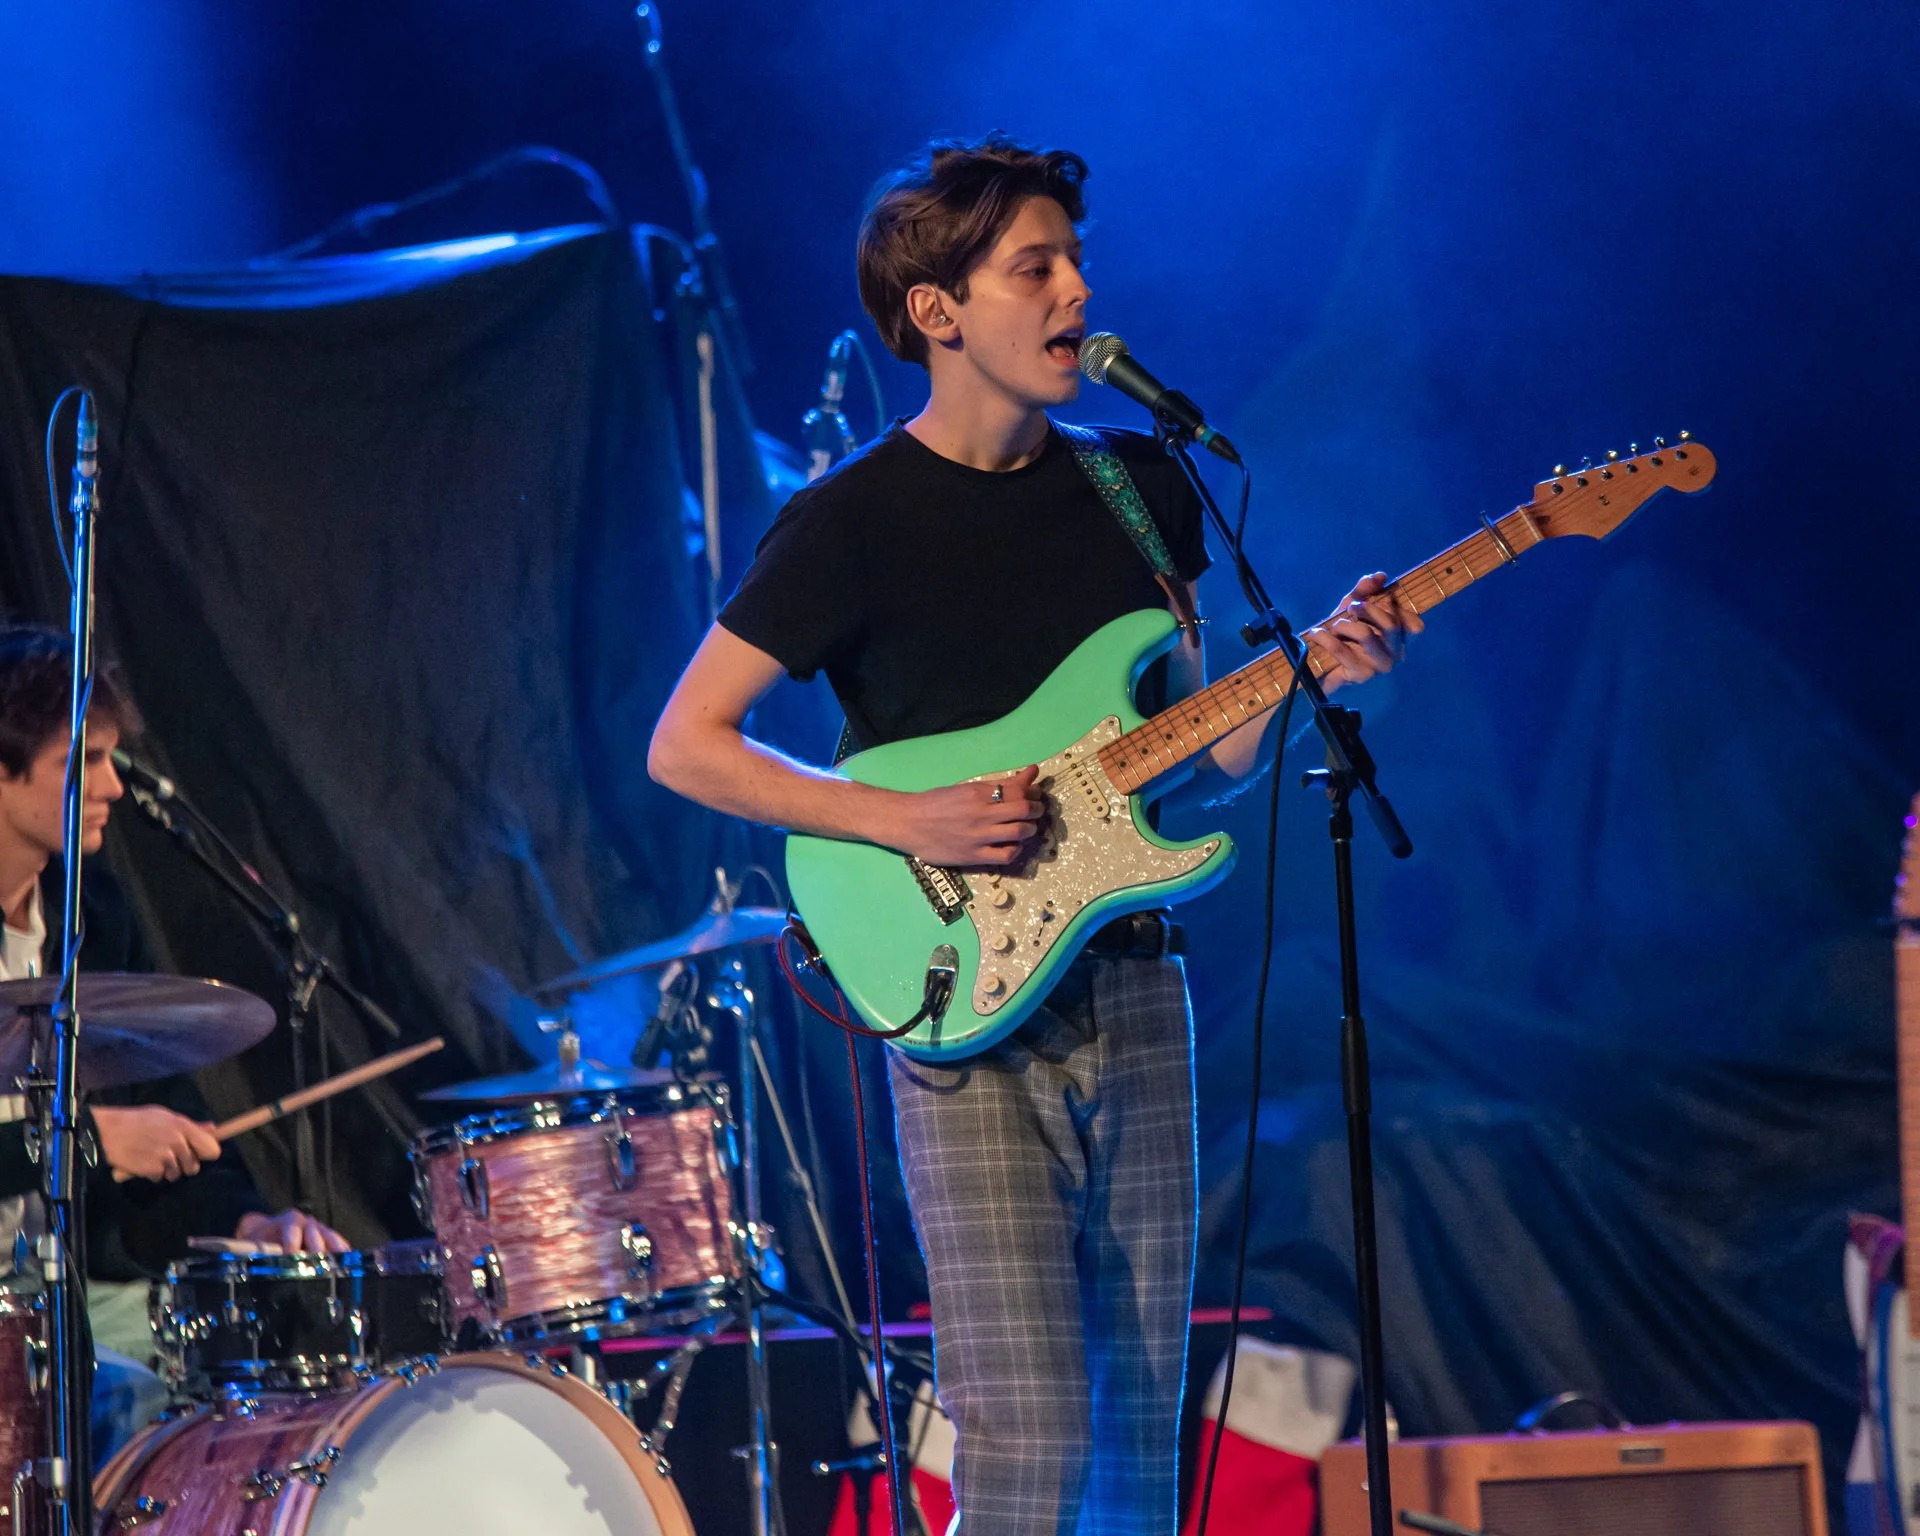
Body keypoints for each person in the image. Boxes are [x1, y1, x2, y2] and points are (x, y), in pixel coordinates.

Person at [648, 136, 1421, 1534]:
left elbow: (1204, 761)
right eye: (1034, 267)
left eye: (1076, 259)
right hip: (965, 1001)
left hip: (1134, 984)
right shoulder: (847, 522)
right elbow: (685, 742)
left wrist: (1315, 671)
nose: (1078, 290)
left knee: (1134, 1444)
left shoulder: (1143, 487)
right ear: (937, 310)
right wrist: (904, 815)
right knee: (1028, 1436)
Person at [0, 624, 347, 1449]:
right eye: (83, 762)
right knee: (119, 1396)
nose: (113, 786)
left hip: (57, 1286)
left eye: (111, 758)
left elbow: (168, 1108)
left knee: (247, 1373)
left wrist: (249, 1225)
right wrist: (90, 1143)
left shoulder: (92, 915)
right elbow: (105, 1141)